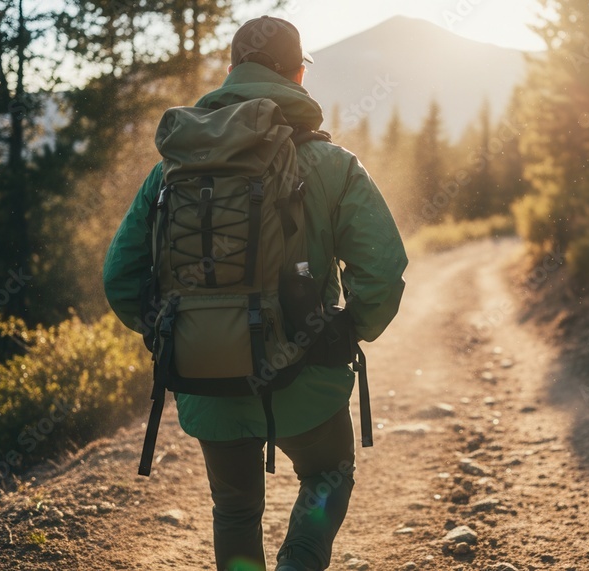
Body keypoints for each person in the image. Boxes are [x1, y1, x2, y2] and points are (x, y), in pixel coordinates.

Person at [102, 15, 408, 571]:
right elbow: (383, 271)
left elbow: (119, 278)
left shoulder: (172, 168)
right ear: (298, 75)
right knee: (324, 478)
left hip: (206, 381)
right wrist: (342, 331)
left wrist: (173, 327)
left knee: (236, 509)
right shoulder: (332, 165)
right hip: (308, 376)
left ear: (229, 72)